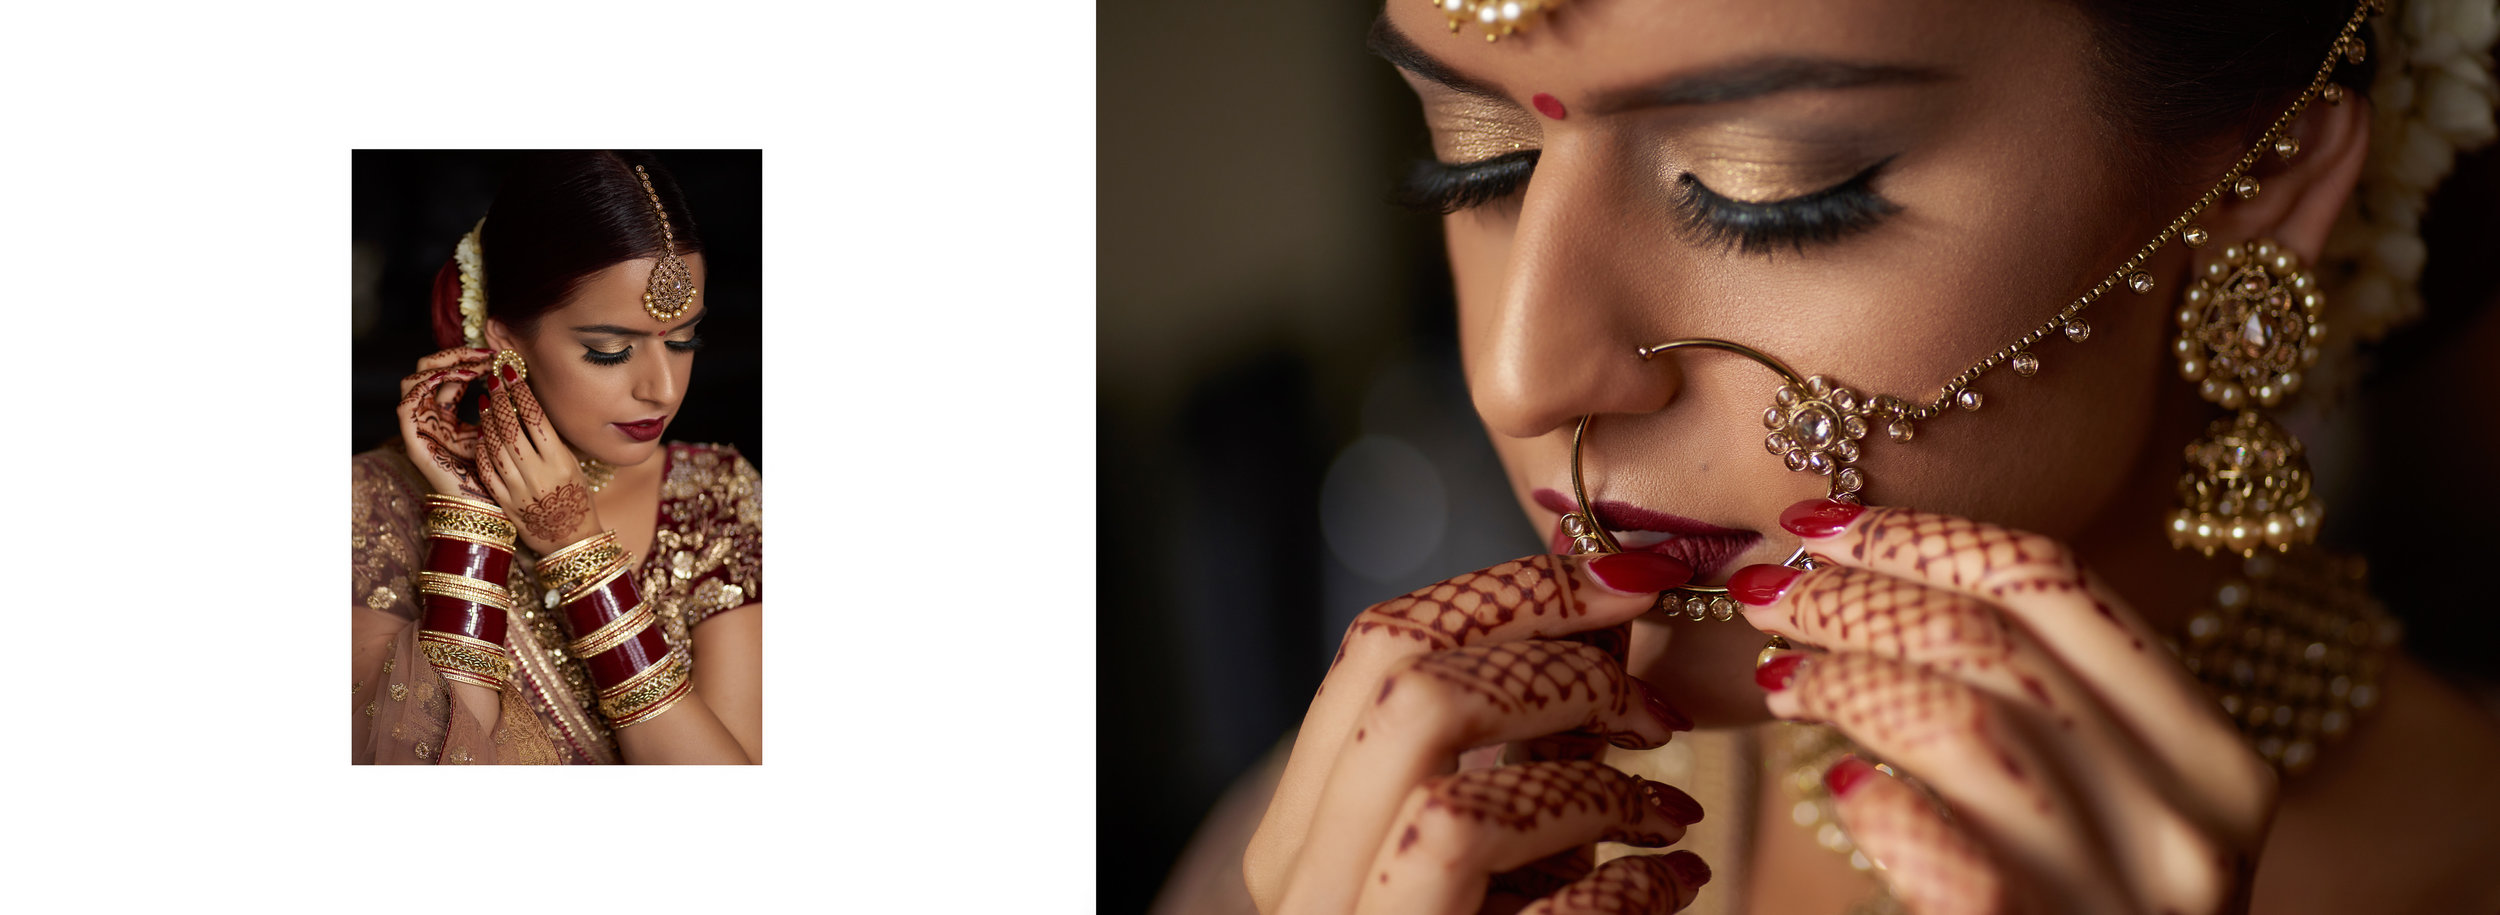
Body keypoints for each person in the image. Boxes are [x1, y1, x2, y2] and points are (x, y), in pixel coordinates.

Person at [1193, 1, 2500, 912]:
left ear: (2262, 184)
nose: (1522, 373)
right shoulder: (1398, 834)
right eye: (1477, 168)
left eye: (1770, 192)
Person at [351, 151, 762, 765]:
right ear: (506, 340)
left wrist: (578, 552)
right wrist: (471, 524)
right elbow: (427, 767)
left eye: (684, 341)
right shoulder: (372, 505)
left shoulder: (715, 494)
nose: (664, 389)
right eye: (608, 351)